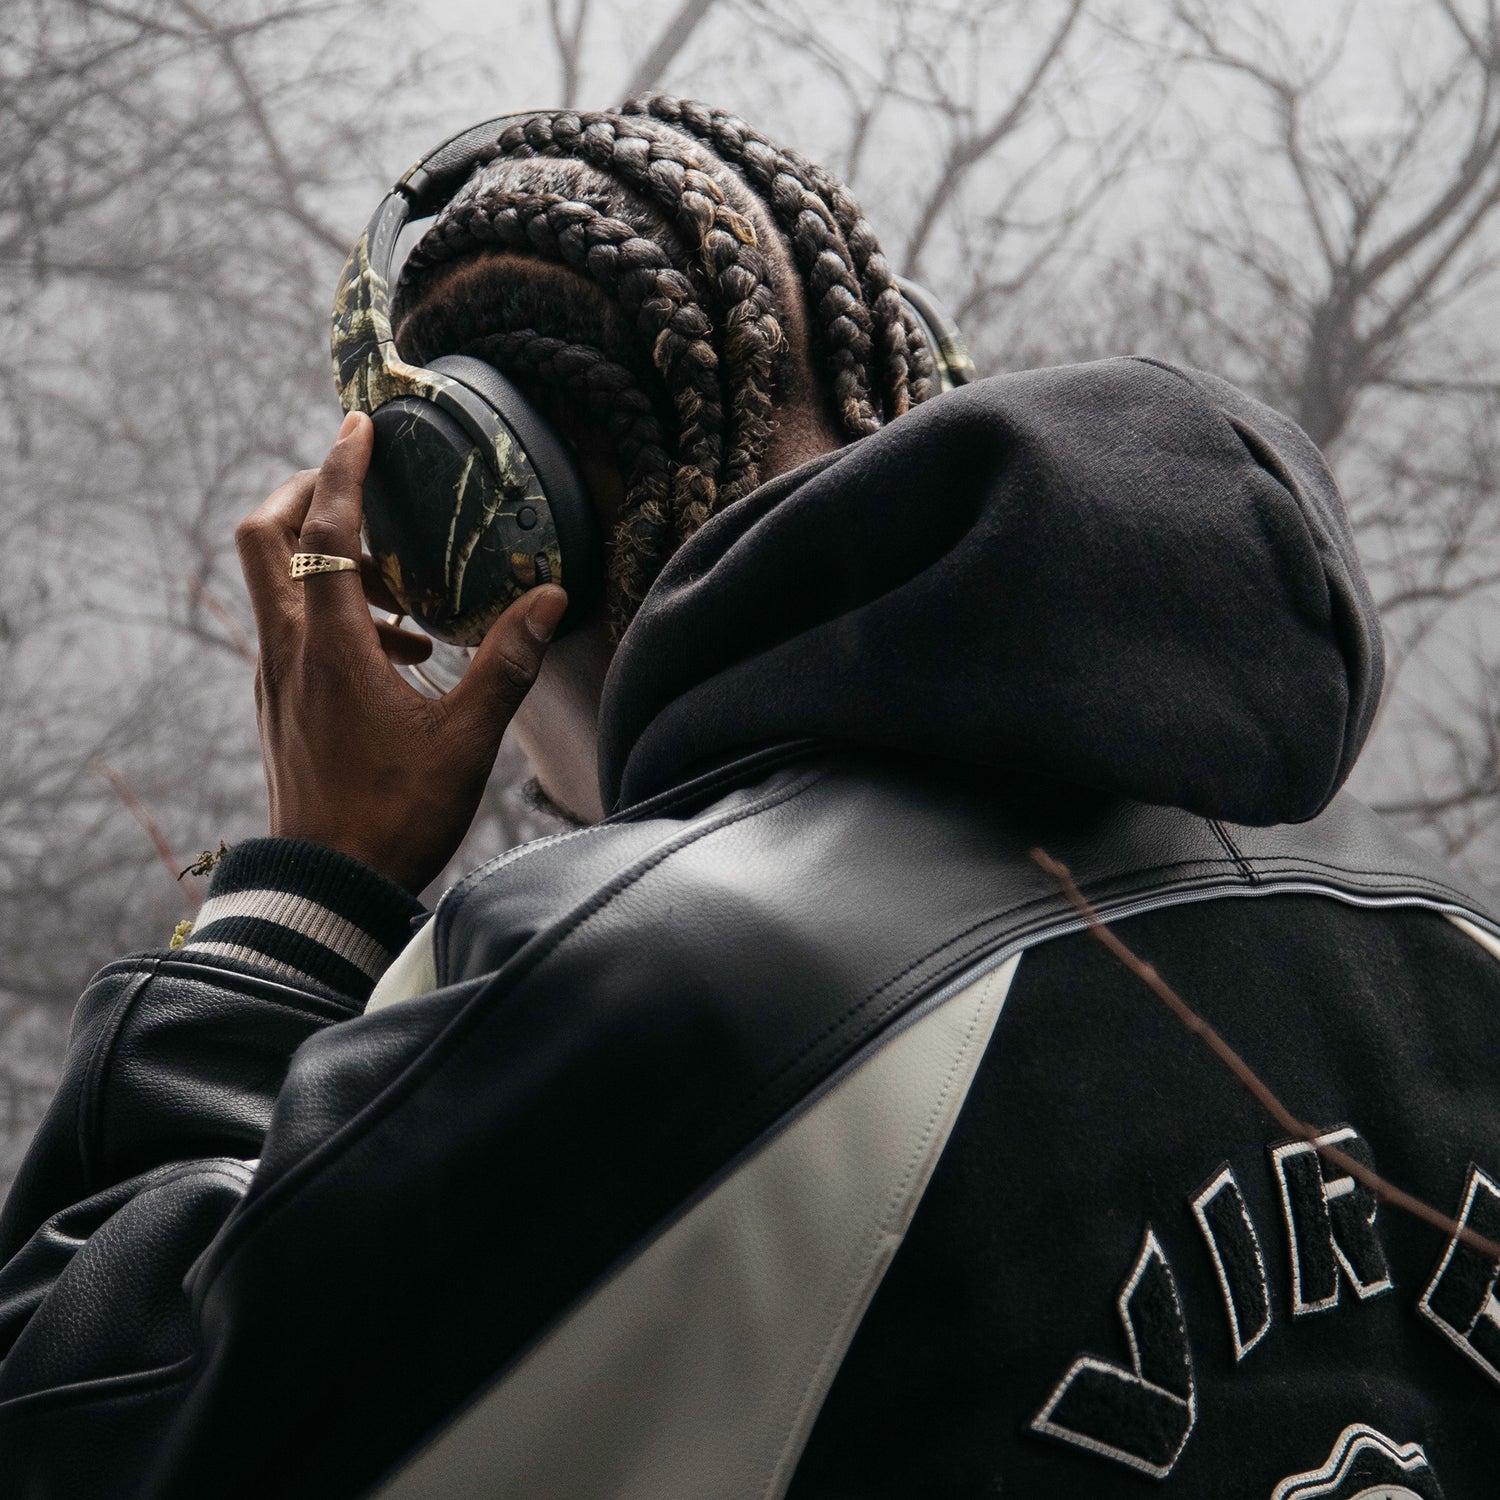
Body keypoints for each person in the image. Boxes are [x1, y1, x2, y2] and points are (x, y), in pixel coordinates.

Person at [2, 95, 1498, 1500]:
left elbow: (73, 1427)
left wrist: (300, 895)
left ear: (484, 522)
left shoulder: (650, 996)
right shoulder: (1442, 933)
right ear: (902, 390)